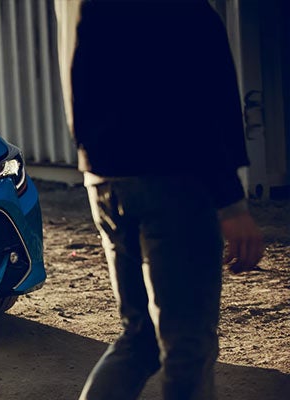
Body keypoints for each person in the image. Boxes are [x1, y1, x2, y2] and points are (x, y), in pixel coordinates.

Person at [62, 1, 265, 399]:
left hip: (105, 177)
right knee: (187, 344)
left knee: (140, 338)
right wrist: (230, 201)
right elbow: (189, 90)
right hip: (173, 178)